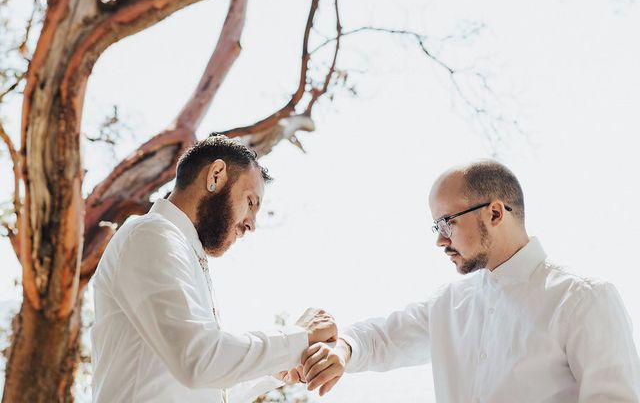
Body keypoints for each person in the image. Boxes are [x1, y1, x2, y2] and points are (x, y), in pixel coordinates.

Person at [300, 160, 640, 402]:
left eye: (446, 223)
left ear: (494, 213)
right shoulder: (449, 304)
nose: (440, 240)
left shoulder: (584, 300)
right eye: (436, 227)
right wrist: (342, 349)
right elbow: (381, 338)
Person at [91, 135, 336, 403]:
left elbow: (205, 387)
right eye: (251, 202)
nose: (252, 224)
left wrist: (276, 367)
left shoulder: (179, 249)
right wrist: (300, 337)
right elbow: (198, 360)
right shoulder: (151, 233)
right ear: (216, 175)